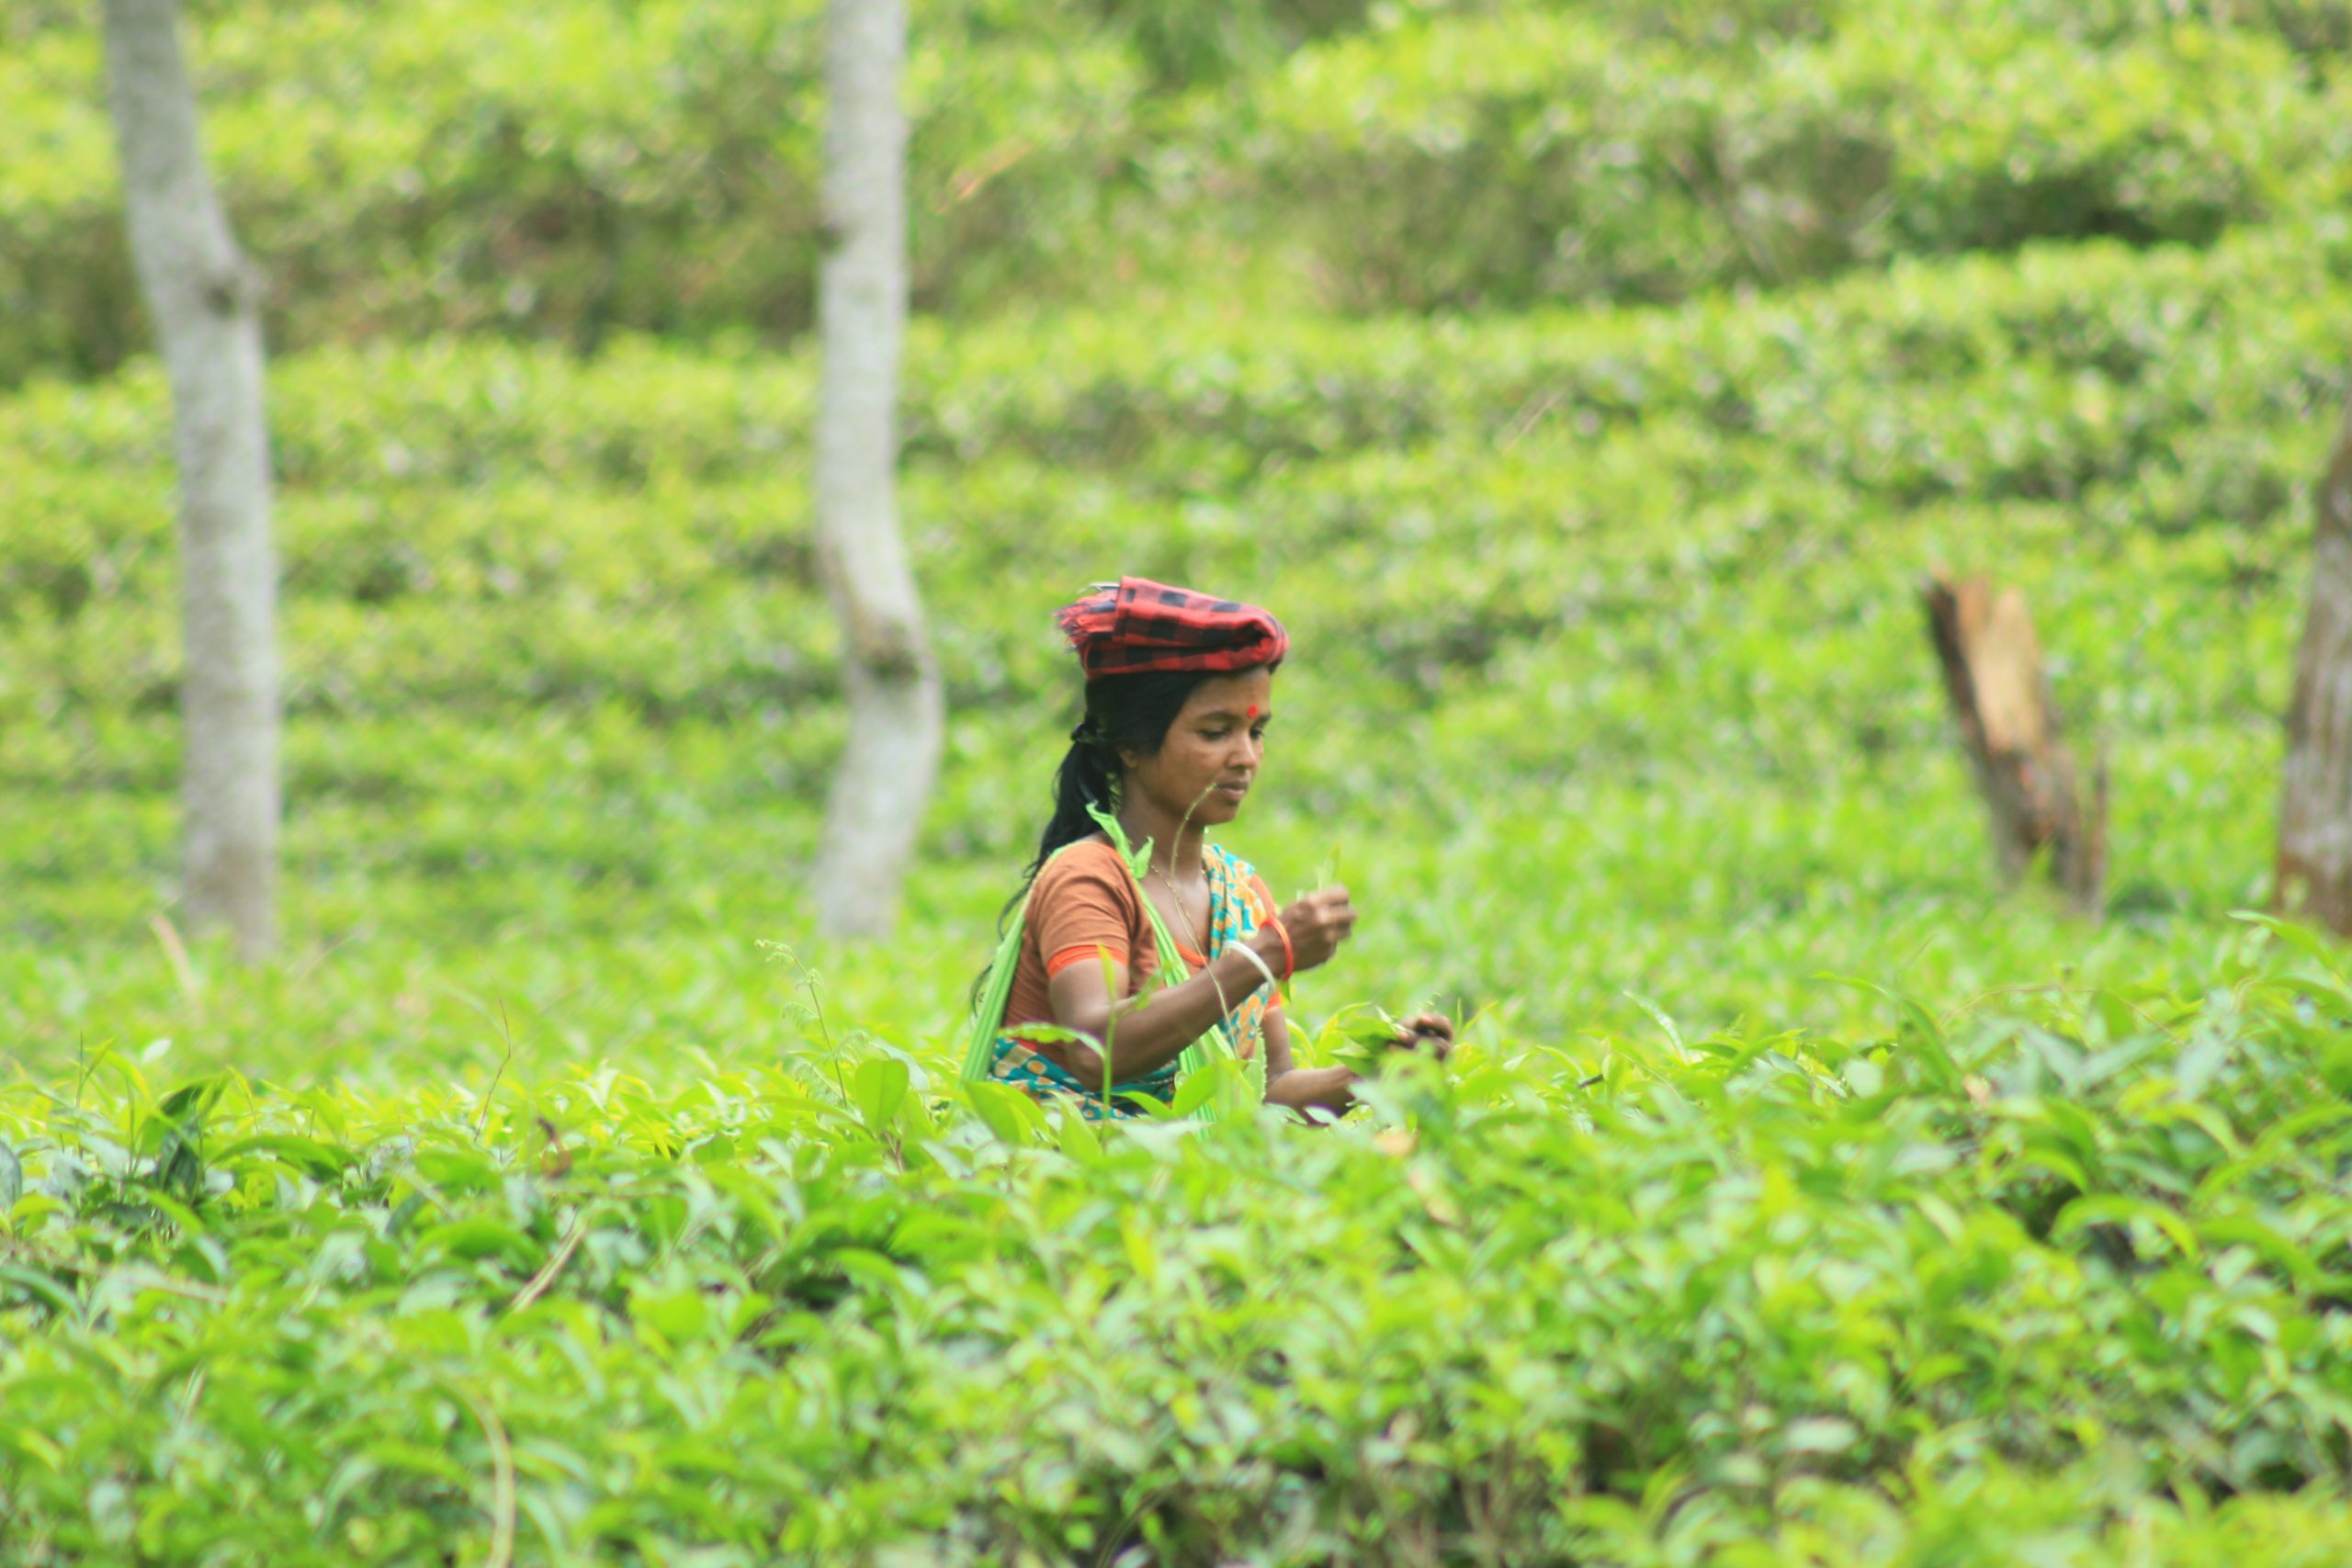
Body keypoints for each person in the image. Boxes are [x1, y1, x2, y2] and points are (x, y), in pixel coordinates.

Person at [964, 576, 1452, 1121]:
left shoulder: (1240, 895)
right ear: (1130, 744)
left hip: (1185, 1189)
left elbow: (1272, 1091)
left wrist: (1378, 1074)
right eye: (1215, 732)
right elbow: (1093, 1050)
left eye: (1256, 733)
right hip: (1059, 1184)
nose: (1245, 757)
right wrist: (1266, 955)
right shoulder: (1089, 879)